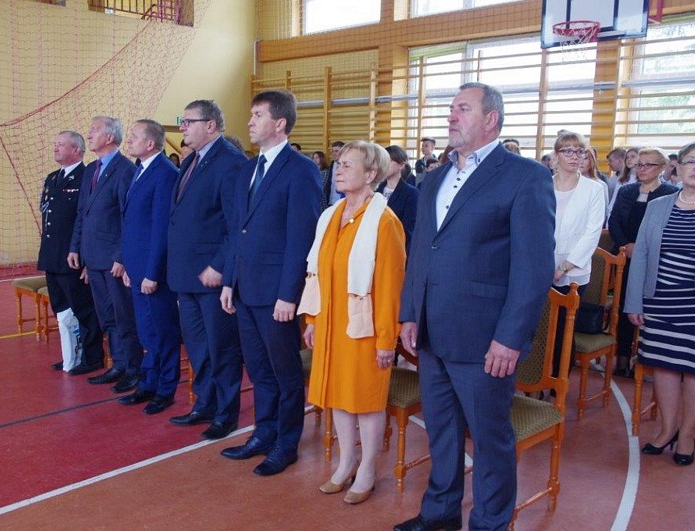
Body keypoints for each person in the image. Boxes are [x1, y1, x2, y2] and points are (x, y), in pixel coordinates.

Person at [395, 82, 555, 531]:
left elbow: (533, 267)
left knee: (489, 438)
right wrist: (410, 312)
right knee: (442, 431)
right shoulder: (434, 177)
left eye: (462, 109)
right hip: (432, 330)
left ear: (491, 119)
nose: (451, 116)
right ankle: (440, 513)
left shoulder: (524, 176)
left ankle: (488, 523)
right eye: (451, 109)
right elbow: (421, 251)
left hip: (485, 337)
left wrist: (510, 337)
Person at [219, 89, 321, 476]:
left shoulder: (300, 170)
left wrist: (289, 295)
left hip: (276, 293)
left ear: (279, 123)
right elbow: (237, 231)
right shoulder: (248, 169)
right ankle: (264, 433)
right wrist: (229, 281)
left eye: (258, 115)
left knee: (285, 373)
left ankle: (286, 443)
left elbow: (301, 238)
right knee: (259, 370)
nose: (250, 121)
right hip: (245, 288)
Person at [300, 141, 406, 505]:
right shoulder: (331, 215)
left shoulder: (385, 222)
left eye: (348, 165)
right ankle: (346, 463)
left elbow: (390, 287)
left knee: (366, 399)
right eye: (339, 163)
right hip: (331, 322)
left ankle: (368, 469)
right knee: (339, 396)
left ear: (371, 173)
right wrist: (312, 320)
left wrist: (386, 340)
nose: (339, 170)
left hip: (364, 328)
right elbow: (318, 273)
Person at [168, 100, 245, 440]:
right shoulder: (192, 160)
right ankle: (205, 403)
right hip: (186, 273)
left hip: (212, 275)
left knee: (222, 347)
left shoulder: (231, 162)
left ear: (210, 125)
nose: (182, 127)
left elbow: (236, 223)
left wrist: (219, 266)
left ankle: (226, 413)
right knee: (198, 347)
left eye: (189, 121)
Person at [624, 141, 695, 467]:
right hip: (659, 300)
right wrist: (634, 302)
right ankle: (667, 429)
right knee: (664, 365)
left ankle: (687, 435)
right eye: (690, 161)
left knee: (692, 371)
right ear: (677, 166)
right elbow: (641, 256)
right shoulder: (659, 206)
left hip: (691, 305)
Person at [68, 116, 144, 393]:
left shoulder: (125, 170)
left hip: (114, 259)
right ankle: (118, 364)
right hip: (93, 257)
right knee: (107, 317)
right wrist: (76, 248)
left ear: (110, 137)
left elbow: (129, 218)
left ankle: (133, 369)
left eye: (94, 130)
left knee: (124, 316)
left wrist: (122, 256)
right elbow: (82, 213)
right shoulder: (91, 169)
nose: (89, 134)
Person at [115, 119, 181, 414]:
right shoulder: (142, 169)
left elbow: (160, 229)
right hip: (138, 268)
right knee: (147, 332)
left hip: (154, 272)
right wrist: (130, 267)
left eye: (134, 136)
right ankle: (148, 383)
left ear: (151, 143)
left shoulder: (165, 173)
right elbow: (133, 224)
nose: (128, 140)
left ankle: (165, 389)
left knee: (162, 332)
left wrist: (152, 273)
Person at [37, 131, 104, 374]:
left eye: (61, 145)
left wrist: (86, 259)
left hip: (73, 257)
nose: (55, 148)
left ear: (76, 150)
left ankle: (92, 357)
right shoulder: (53, 178)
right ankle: (71, 355)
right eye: (55, 144)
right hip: (52, 256)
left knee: (83, 309)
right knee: (62, 309)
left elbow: (86, 220)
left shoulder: (87, 177)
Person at [608, 147, 678, 377]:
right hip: (625, 257)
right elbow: (614, 222)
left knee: (650, 309)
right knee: (624, 306)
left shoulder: (670, 194)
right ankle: (622, 358)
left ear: (662, 168)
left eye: (649, 165)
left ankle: (648, 357)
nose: (642, 169)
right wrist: (625, 245)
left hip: (656, 261)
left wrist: (643, 250)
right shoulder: (627, 191)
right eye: (640, 164)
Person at [550, 132, 605, 377]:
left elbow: (592, 233)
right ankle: (534, 380)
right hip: (541, 265)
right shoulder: (542, 184)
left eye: (579, 151)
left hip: (573, 271)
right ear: (556, 155)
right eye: (568, 151)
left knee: (563, 328)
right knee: (539, 327)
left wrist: (563, 267)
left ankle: (558, 381)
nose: (575, 156)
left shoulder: (594, 189)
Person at [379, 145, 418, 253]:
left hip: (395, 248)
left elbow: (408, 229)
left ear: (401, 165)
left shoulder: (411, 193)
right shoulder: (376, 190)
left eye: (388, 161)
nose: (384, 165)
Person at [579, 146, 610, 223]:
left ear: (591, 161)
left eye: (585, 158)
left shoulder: (600, 185)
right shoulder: (567, 183)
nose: (581, 162)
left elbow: (603, 213)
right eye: (579, 158)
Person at [608, 147, 639, 217]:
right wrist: (609, 213)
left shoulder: (642, 180)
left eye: (633, 157)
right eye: (627, 157)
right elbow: (614, 200)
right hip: (618, 215)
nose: (629, 159)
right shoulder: (622, 179)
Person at [324, 141, 345, 207]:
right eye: (332, 151)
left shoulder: (348, 167)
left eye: (336, 151)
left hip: (342, 200)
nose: (333, 153)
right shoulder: (332, 165)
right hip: (331, 201)